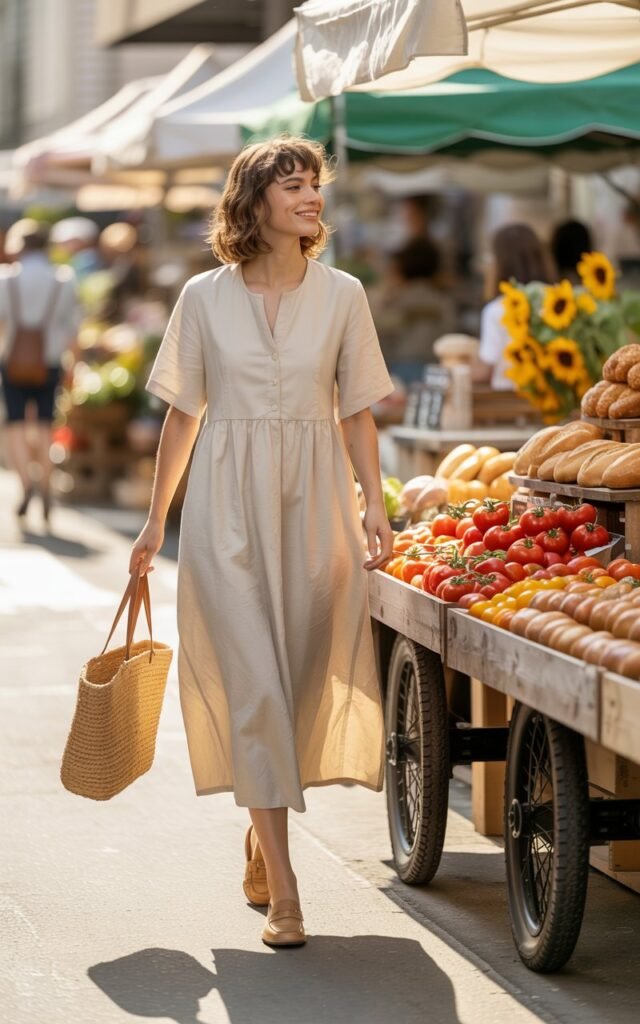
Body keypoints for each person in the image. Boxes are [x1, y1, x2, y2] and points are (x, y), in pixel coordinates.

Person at [128, 136, 395, 948]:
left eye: (315, 184)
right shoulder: (204, 298)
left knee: (307, 677)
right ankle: (286, 890)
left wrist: (375, 507)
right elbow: (184, 414)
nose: (312, 196)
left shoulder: (344, 294)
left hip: (317, 507)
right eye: (293, 186)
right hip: (226, 512)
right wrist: (153, 521)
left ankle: (260, 830)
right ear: (255, 204)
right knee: (255, 688)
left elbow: (356, 409)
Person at [0, 220, 82, 521]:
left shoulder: (6, 279)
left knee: (16, 425)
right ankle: (46, 484)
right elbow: (73, 329)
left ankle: (25, 484)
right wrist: (74, 364)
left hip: (11, 362)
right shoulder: (64, 279)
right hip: (50, 360)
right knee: (47, 425)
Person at [474, 223, 553, 390]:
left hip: (506, 403)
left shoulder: (497, 310)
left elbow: (485, 370)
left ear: (499, 263)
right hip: (556, 403)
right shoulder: (561, 302)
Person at [369, 237, 456, 383]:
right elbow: (451, 330)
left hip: (399, 369)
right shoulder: (443, 299)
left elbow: (378, 333)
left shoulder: (395, 299)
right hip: (437, 368)